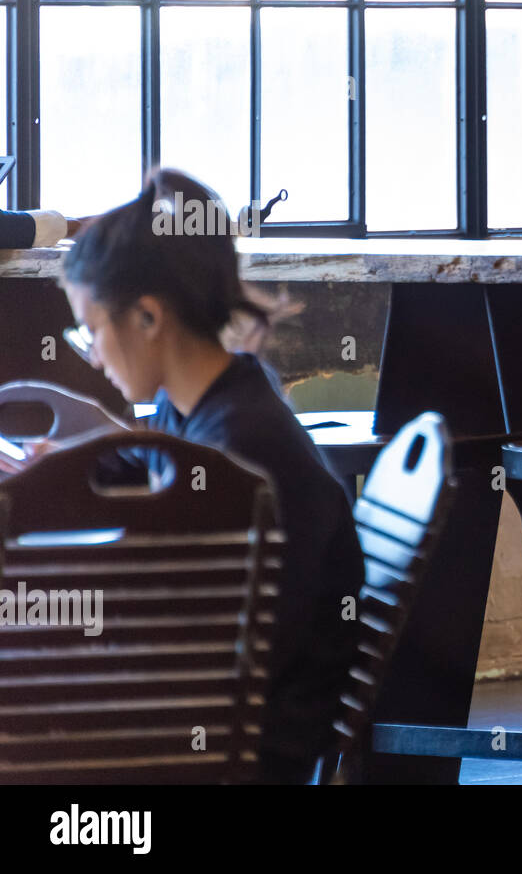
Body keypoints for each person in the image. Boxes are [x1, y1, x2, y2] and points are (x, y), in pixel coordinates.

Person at [49, 168, 362, 783]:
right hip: (218, 720)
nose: (90, 354)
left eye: (91, 330)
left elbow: (219, 652)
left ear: (147, 317)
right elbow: (142, 465)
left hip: (229, 752)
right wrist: (57, 461)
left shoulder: (241, 450)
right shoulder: (212, 404)